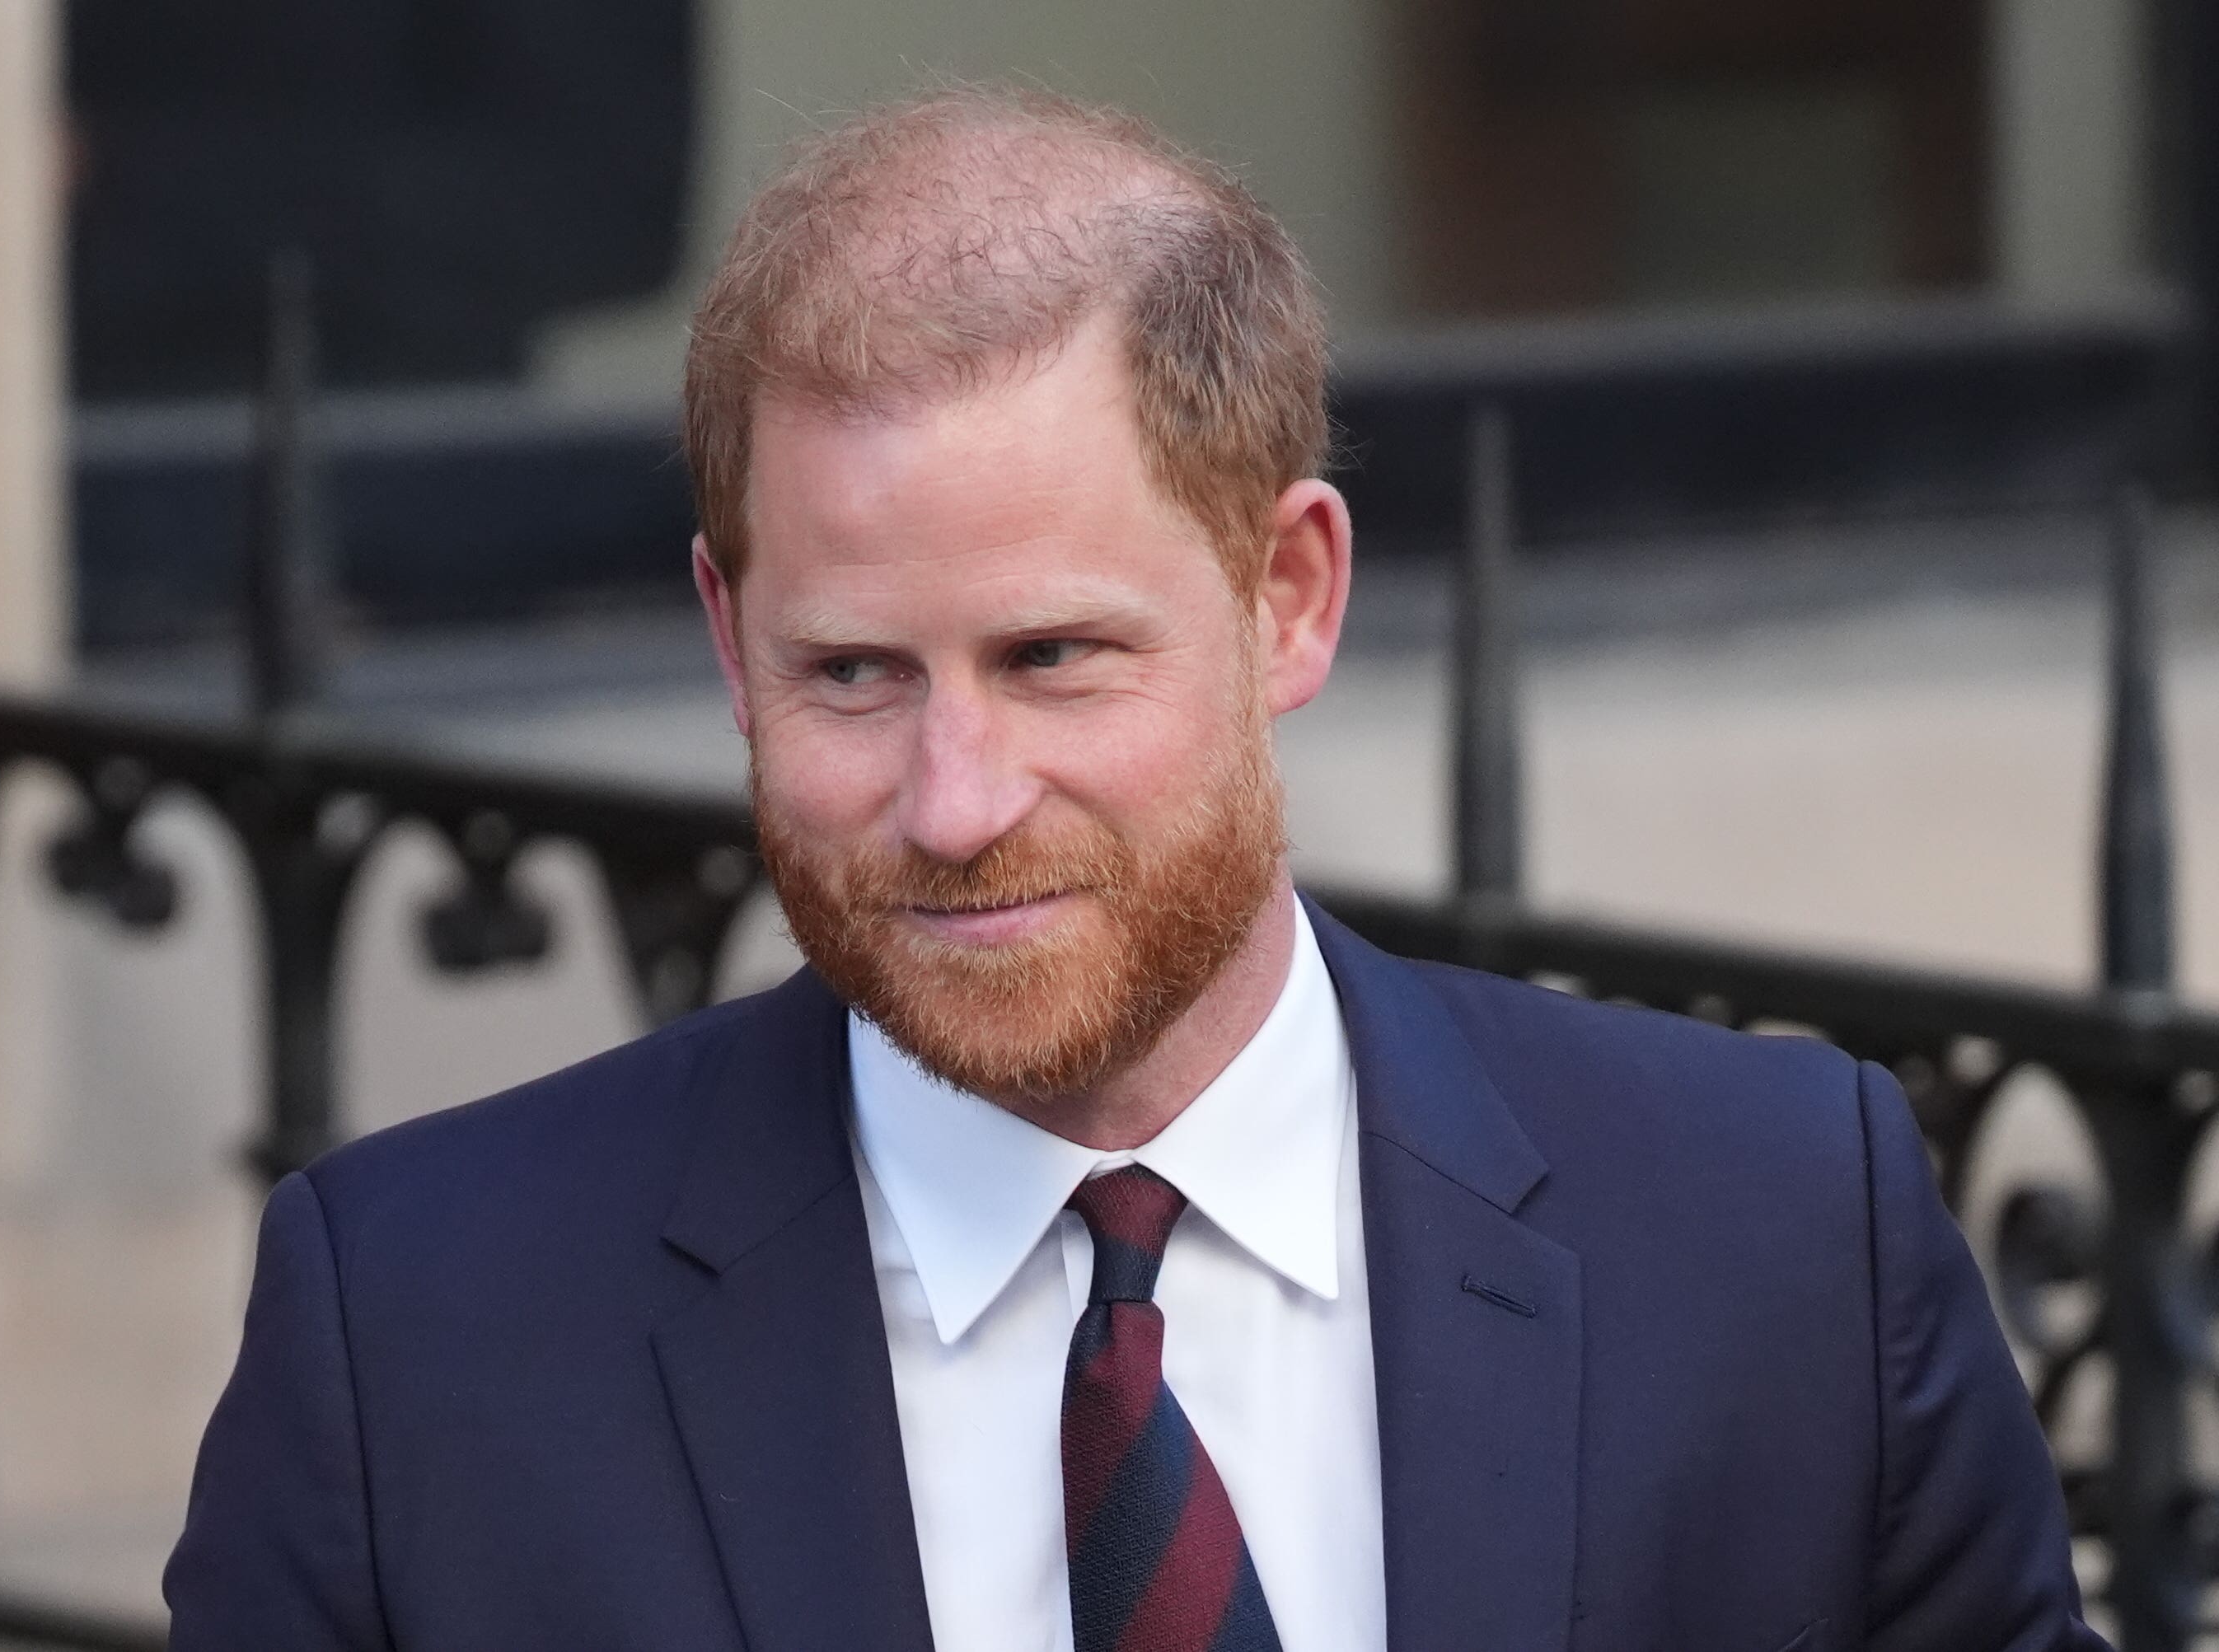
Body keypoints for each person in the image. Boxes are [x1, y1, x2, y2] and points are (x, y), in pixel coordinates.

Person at [164, 87, 2105, 1651]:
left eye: (1052, 657)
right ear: (725, 642)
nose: (954, 802)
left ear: (1290, 597)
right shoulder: (419, 1339)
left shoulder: (1779, 1240)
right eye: (850, 674)